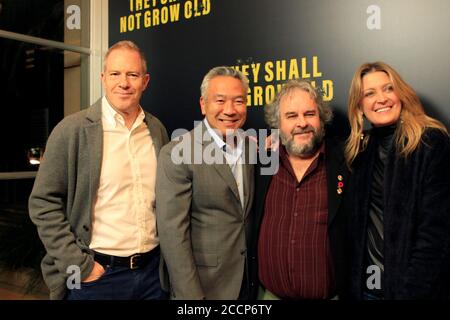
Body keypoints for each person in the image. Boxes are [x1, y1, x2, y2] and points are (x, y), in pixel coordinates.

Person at [28, 40, 169, 300]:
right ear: (103, 78)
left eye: (133, 75)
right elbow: (43, 203)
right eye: (115, 74)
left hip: (152, 275)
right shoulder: (72, 130)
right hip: (97, 278)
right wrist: (82, 266)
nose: (124, 83)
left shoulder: (156, 130)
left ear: (145, 81)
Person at [345, 61, 450, 299]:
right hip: (367, 291)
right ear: (359, 106)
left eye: (388, 88)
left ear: (400, 94)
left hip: (414, 290)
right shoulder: (360, 151)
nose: (381, 98)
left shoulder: (430, 143)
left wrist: (411, 292)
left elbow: (436, 235)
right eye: (369, 93)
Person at [156, 66, 255, 299]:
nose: (229, 110)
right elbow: (173, 235)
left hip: (247, 283)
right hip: (203, 287)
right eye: (220, 100)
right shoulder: (178, 153)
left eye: (238, 101)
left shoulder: (252, 147)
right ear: (203, 104)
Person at [250, 79, 349, 300]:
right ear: (277, 124)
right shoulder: (263, 163)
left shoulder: (346, 162)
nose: (302, 123)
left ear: (321, 119)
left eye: (310, 114)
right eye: (291, 116)